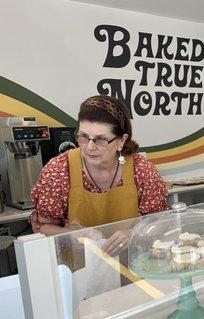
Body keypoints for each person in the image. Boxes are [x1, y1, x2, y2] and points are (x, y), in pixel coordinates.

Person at [30, 95, 168, 255]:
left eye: (101, 139)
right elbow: (42, 227)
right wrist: (69, 234)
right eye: (83, 137)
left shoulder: (141, 169)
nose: (89, 147)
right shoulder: (59, 170)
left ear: (121, 141)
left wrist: (135, 233)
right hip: (78, 267)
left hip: (133, 263)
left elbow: (161, 222)